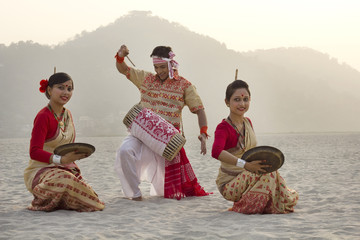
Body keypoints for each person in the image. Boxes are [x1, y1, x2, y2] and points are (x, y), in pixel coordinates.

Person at [114, 45, 210, 200]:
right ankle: (136, 194)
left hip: (166, 140)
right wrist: (120, 56)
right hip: (140, 132)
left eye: (163, 67)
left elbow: (199, 109)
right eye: (156, 67)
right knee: (124, 151)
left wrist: (203, 133)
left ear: (171, 64)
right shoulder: (146, 78)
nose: (159, 71)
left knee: (165, 192)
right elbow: (123, 69)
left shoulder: (185, 86)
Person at [212, 80, 298, 214]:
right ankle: (245, 206)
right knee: (267, 174)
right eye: (237, 100)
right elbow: (216, 152)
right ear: (227, 102)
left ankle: (263, 204)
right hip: (229, 184)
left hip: (248, 177)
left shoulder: (248, 122)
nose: (242, 104)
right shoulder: (223, 128)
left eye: (245, 99)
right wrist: (245, 165)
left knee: (269, 169)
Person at [24, 72, 105, 212]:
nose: (66, 92)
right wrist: (61, 160)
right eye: (61, 87)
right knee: (65, 180)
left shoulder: (67, 114)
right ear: (49, 90)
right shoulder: (43, 116)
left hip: (63, 169)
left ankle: (62, 200)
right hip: (40, 172)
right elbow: (34, 151)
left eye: (69, 88)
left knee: (91, 196)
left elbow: (67, 148)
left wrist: (74, 156)